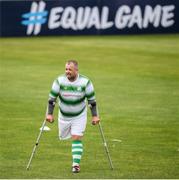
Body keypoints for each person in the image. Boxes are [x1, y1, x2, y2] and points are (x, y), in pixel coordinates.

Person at [46, 60, 100, 173]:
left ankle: (75, 165)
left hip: (79, 114)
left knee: (76, 137)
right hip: (64, 116)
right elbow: (52, 100)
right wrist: (49, 114)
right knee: (63, 136)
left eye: (70, 69)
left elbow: (92, 101)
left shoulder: (86, 82)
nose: (67, 72)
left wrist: (95, 116)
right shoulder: (59, 81)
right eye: (66, 69)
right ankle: (75, 163)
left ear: (76, 70)